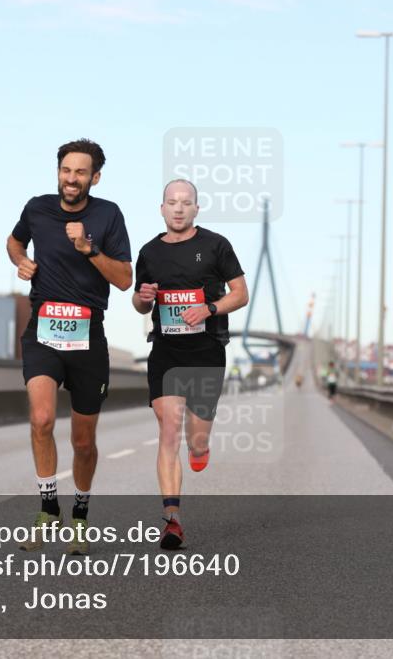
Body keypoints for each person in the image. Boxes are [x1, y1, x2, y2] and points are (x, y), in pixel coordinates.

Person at [6, 138, 132, 555]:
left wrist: (89, 249)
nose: (71, 179)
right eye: (66, 170)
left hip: (87, 337)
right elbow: (13, 241)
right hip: (42, 329)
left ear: (94, 177)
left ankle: (79, 514)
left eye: (80, 172)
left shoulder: (108, 215)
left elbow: (125, 279)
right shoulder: (37, 208)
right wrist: (20, 260)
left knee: (83, 441)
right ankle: (47, 508)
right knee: (41, 419)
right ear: (57, 172)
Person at [132, 179, 248, 550]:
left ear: (196, 208)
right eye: (171, 202)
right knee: (169, 429)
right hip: (166, 352)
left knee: (195, 440)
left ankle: (200, 450)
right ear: (162, 209)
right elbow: (139, 303)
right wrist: (143, 297)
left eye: (186, 202)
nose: (178, 208)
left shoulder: (216, 245)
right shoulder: (149, 252)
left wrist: (210, 308)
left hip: (206, 352)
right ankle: (172, 521)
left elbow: (241, 294)